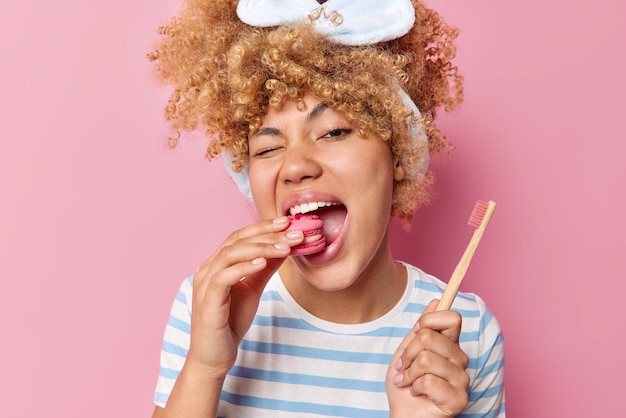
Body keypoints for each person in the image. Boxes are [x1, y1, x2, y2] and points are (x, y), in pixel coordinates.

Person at [148, 0, 505, 416]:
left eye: (333, 131)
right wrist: (205, 368)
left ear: (399, 152)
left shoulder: (464, 332)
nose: (295, 166)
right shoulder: (211, 306)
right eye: (267, 147)